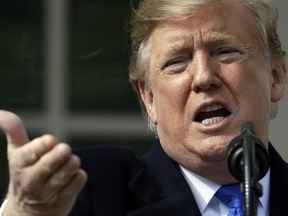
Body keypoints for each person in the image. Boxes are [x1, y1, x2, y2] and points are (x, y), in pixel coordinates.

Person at [0, 0, 287, 215]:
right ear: (149, 98)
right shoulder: (87, 189)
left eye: (224, 51)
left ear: (276, 77)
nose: (203, 77)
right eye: (177, 62)